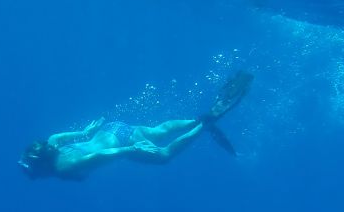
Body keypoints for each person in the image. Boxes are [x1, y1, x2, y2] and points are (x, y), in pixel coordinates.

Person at [19, 70, 253, 180]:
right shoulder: (52, 144)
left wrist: (130, 150)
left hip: (120, 142)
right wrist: (86, 131)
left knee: (163, 156)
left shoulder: (63, 168)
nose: (30, 173)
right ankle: (197, 119)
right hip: (111, 128)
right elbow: (58, 137)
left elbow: (98, 157)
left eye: (31, 168)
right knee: (157, 131)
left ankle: (205, 124)